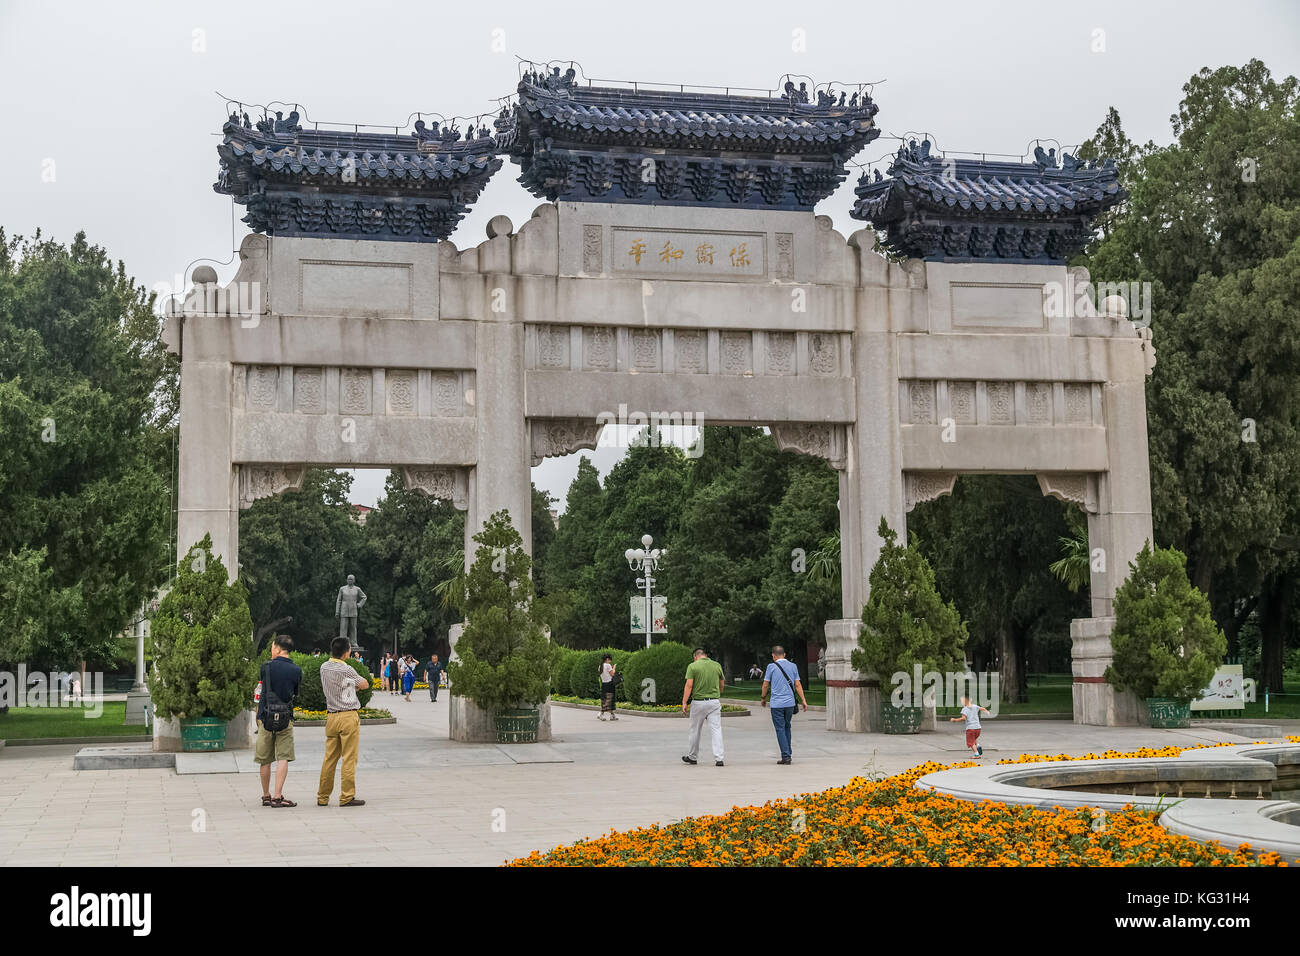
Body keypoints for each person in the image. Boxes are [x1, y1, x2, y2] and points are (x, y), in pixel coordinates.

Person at [317, 636, 370, 807]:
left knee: (329, 759)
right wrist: (352, 685)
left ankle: (323, 797)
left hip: (332, 716)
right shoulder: (347, 669)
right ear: (347, 652)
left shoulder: (323, 667)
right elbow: (364, 684)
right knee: (349, 758)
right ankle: (347, 796)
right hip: (348, 716)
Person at [256, 635, 303, 808]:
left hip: (265, 717)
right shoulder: (296, 671)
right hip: (285, 718)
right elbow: (295, 693)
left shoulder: (266, 667)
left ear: (277, 648)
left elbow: (263, 690)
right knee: (283, 757)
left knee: (265, 759)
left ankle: (266, 795)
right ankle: (277, 796)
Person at [760, 645, 808, 765]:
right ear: (784, 654)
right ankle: (788, 752)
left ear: (773, 655)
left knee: (780, 728)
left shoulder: (771, 667)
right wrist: (803, 700)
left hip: (777, 704)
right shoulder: (793, 666)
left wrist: (763, 698)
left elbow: (765, 685)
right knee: (787, 726)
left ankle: (786, 756)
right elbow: (798, 685)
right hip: (790, 703)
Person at [681, 648, 725, 766]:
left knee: (695, 730)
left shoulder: (693, 666)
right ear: (705, 655)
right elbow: (721, 683)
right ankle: (719, 758)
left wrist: (684, 702)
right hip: (714, 702)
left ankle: (693, 756)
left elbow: (689, 685)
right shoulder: (717, 665)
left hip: (698, 702)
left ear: (696, 657)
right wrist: (718, 693)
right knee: (716, 729)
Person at [598, 654, 618, 721]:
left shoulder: (600, 666)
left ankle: (612, 715)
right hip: (610, 684)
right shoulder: (608, 665)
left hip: (604, 684)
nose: (610, 661)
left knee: (605, 699)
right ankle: (600, 714)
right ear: (607, 659)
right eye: (609, 659)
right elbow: (612, 674)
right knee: (610, 700)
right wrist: (614, 668)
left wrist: (611, 669)